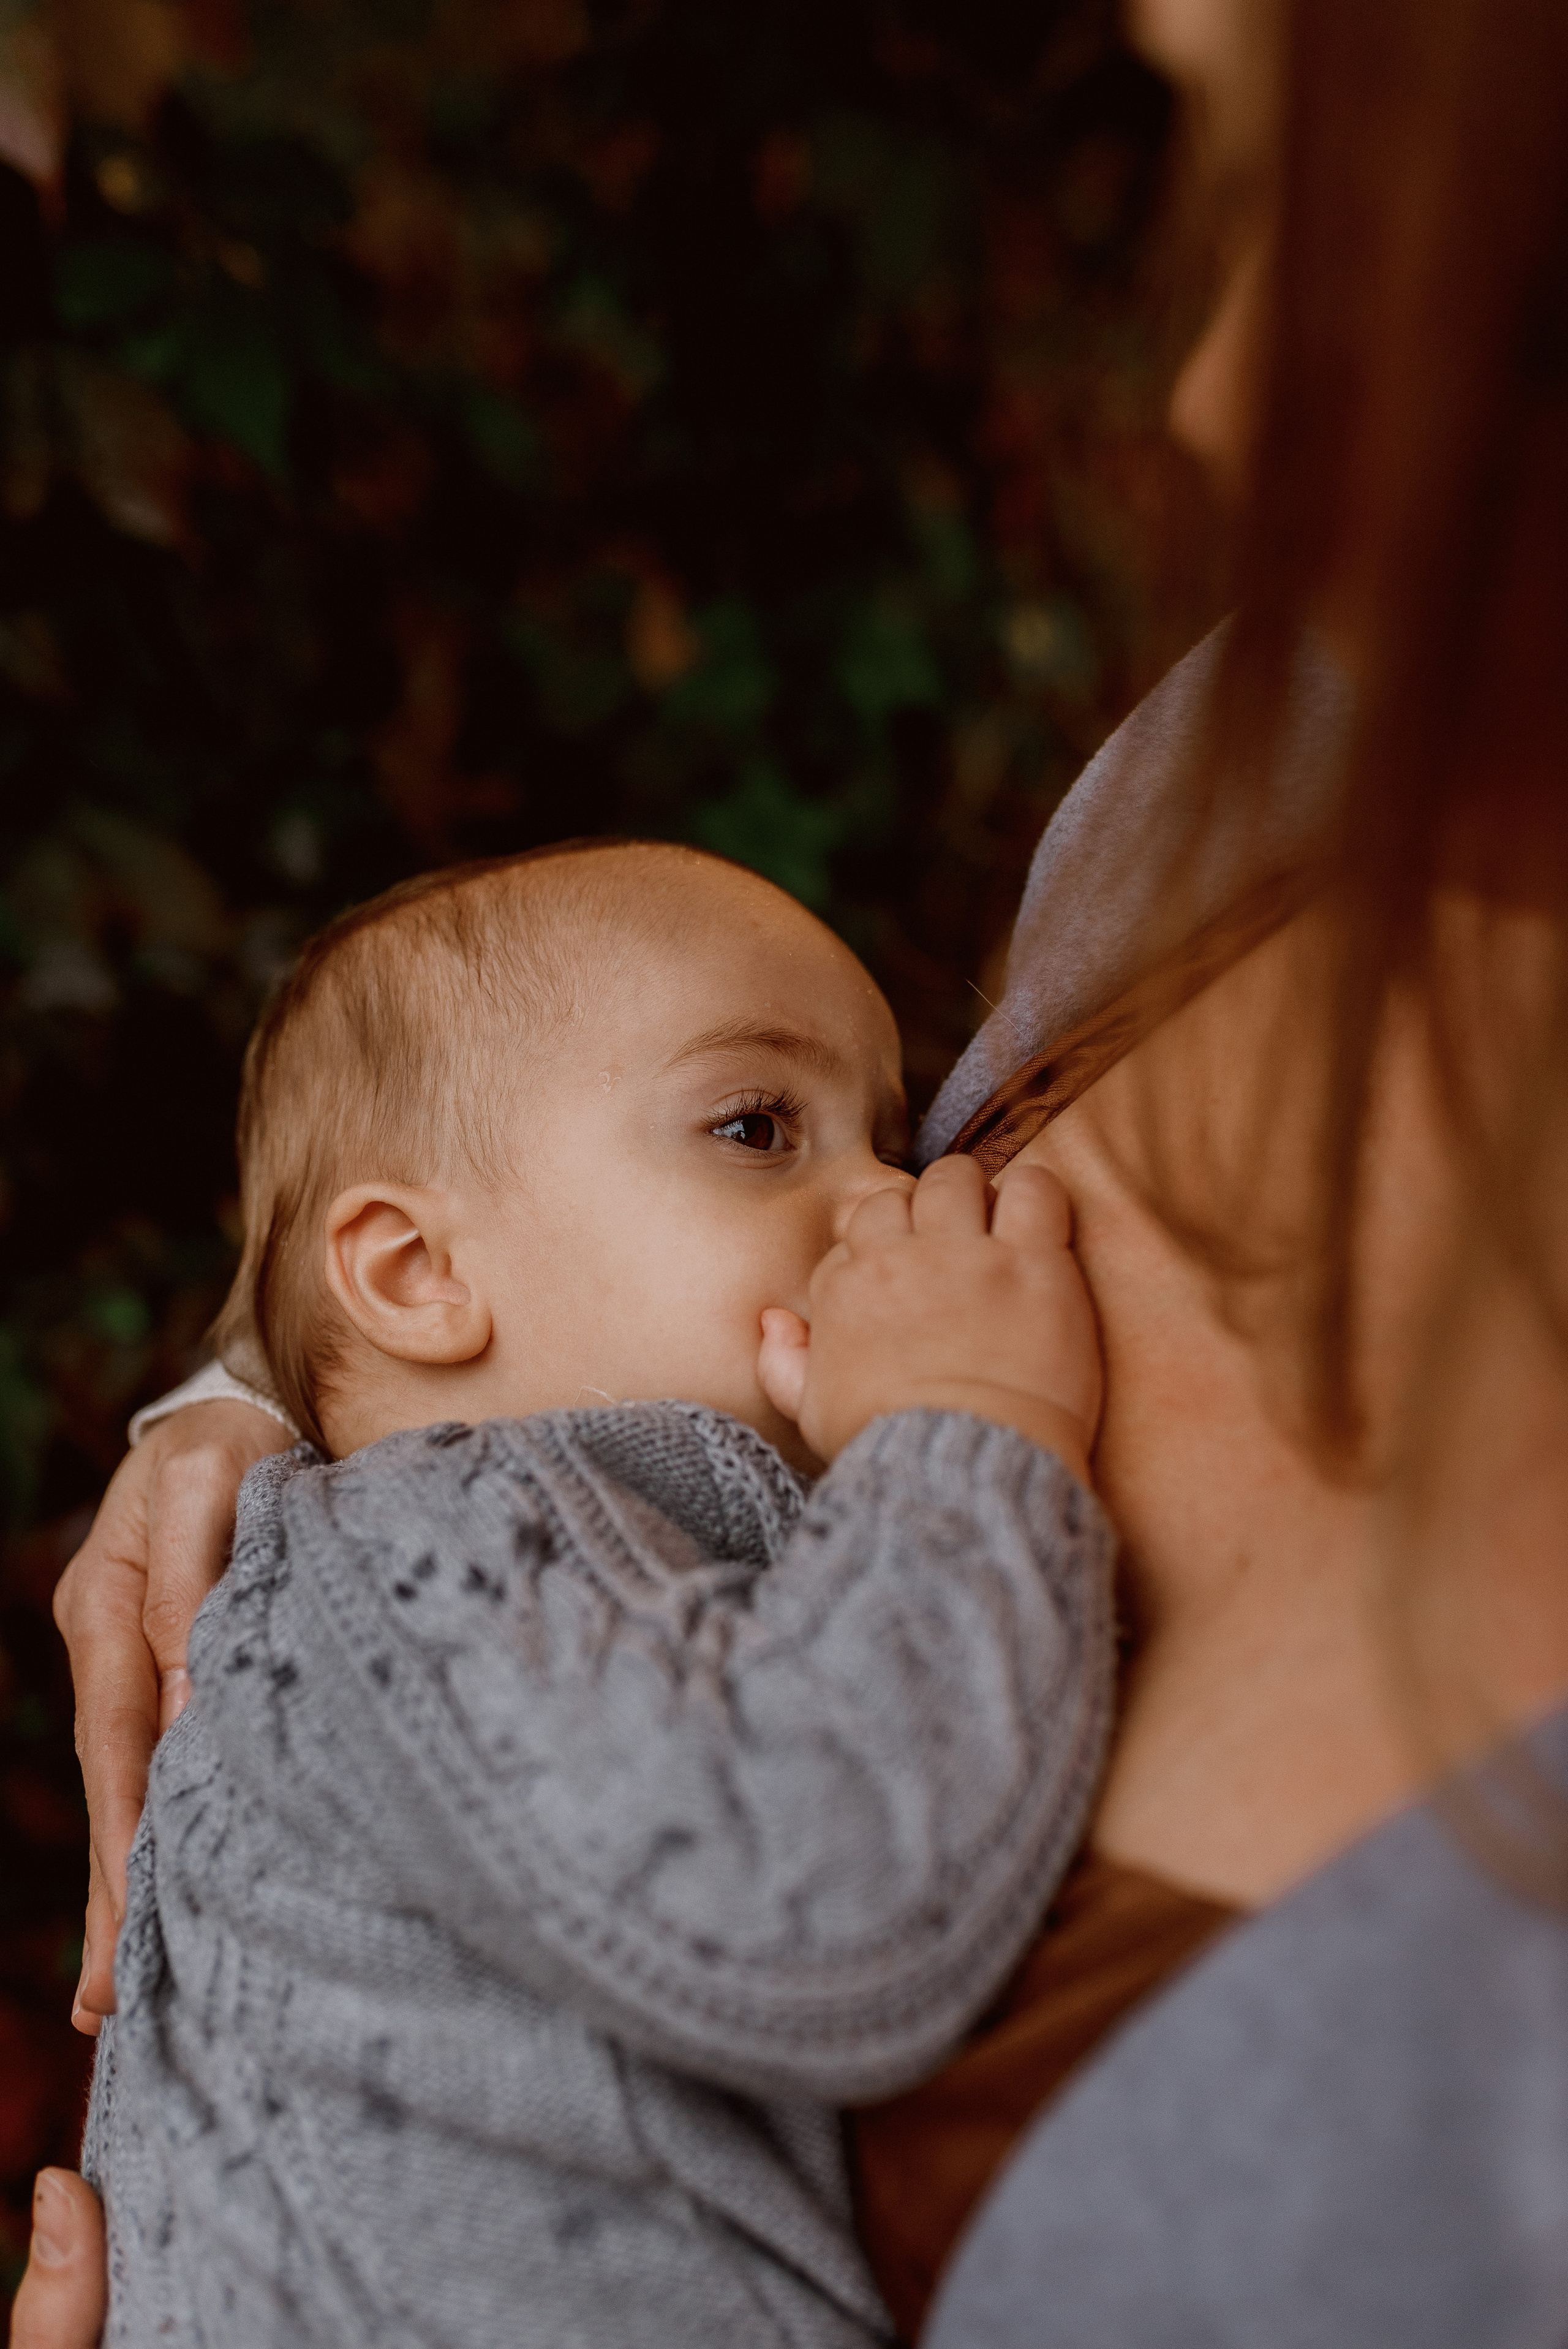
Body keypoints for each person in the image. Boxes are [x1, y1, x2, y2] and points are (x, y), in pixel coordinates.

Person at [15, 0, 1568, 2336]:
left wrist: (948, 1427)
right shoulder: (1303, 739)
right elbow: (543, 1194)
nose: (1204, 400)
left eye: (1351, 218)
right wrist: (273, 1387)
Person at [76, 839, 1110, 2347]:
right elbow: (807, 1903)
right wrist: (962, 1421)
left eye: (886, 1135)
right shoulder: (422, 1541)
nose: (887, 1193)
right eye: (759, 1125)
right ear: (419, 1273)